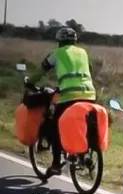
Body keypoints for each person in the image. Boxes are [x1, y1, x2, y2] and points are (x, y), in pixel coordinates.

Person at [25, 27, 97, 176]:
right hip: (90, 94)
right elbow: (86, 71)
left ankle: (56, 164)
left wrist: (29, 81)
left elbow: (41, 70)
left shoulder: (56, 54)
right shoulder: (83, 53)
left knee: (56, 126)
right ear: (74, 41)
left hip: (69, 95)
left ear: (59, 41)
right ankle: (82, 155)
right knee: (82, 123)